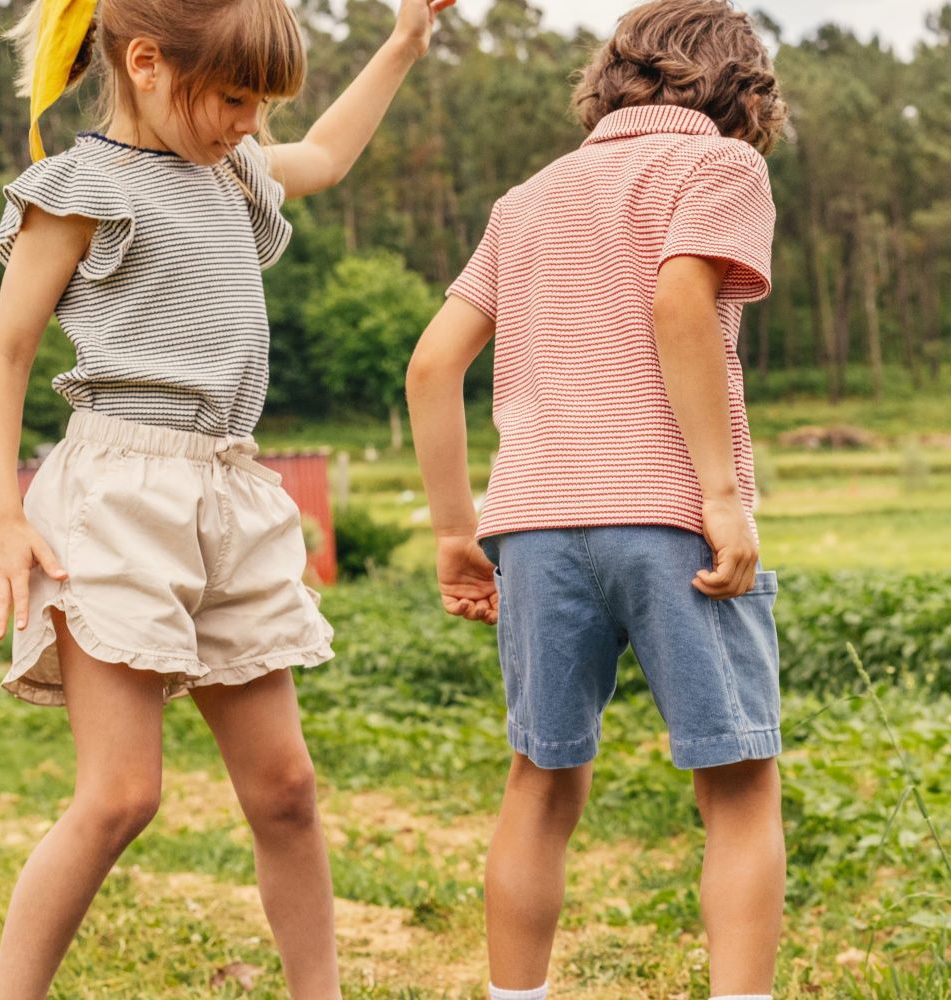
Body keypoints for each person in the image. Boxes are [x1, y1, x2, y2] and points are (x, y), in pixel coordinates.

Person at [0, 0, 452, 996]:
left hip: (226, 486)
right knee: (119, 796)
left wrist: (402, 41)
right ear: (146, 63)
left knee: (287, 790)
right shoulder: (83, 186)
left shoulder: (229, 173)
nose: (246, 123)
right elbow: (2, 354)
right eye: (233, 97)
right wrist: (1, 516)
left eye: (258, 102)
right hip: (118, 494)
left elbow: (323, 156)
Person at [406, 2, 788, 998]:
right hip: (669, 514)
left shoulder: (528, 198)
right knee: (740, 784)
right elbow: (678, 303)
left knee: (541, 780)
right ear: (744, 91)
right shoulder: (720, 165)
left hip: (533, 525)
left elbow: (431, 362)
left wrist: (456, 531)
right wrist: (720, 495)